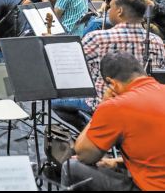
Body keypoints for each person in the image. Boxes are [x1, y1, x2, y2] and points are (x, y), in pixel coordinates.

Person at [62, 52, 165, 191]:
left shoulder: (116, 106)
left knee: (72, 167)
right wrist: (117, 162)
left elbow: (84, 155)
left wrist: (102, 107)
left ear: (112, 83)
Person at [72, 0, 164, 113]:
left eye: (110, 7)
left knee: (54, 102)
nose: (109, 11)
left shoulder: (96, 38)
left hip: (103, 104)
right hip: (143, 107)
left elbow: (75, 67)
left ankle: (90, 125)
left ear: (119, 11)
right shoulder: (156, 41)